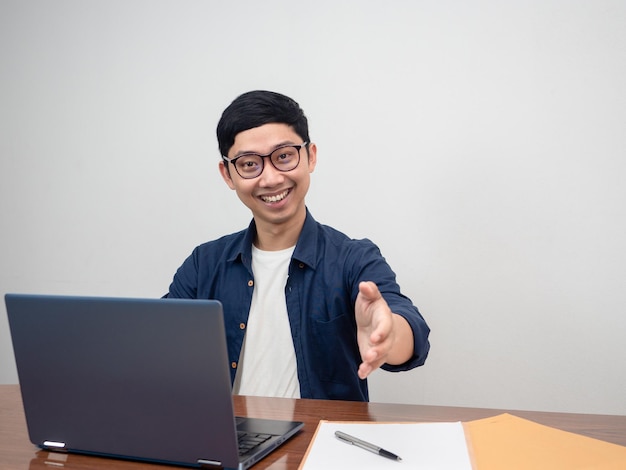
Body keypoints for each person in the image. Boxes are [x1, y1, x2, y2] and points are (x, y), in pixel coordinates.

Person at [166, 90, 430, 401]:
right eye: (250, 164)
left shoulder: (353, 258)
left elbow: (411, 332)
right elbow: (162, 345)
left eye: (284, 156)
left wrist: (388, 335)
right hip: (225, 442)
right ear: (228, 174)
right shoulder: (203, 264)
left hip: (321, 444)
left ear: (310, 156)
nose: (271, 178)